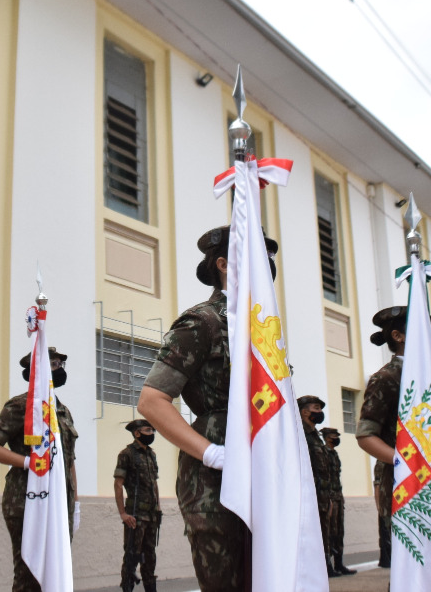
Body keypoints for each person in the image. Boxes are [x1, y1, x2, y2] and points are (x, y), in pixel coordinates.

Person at [137, 224, 276, 591]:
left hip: (265, 478)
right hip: (215, 487)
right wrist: (212, 453)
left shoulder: (262, 330)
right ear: (224, 264)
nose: (267, 266)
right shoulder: (203, 322)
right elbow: (152, 401)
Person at [0, 347, 79, 592]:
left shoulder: (63, 410)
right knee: (29, 576)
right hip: (27, 500)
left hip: (59, 502)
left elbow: (69, 462)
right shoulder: (21, 406)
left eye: (60, 364)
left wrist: (75, 504)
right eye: (54, 364)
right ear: (39, 371)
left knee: (55, 573)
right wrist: (27, 462)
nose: (59, 369)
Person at [355, 304, 431, 571]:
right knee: (409, 570)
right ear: (398, 336)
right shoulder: (386, 378)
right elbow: (366, 435)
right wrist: (405, 462)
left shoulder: (427, 378)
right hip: (404, 485)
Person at [115, 419, 161, 592]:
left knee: (150, 557)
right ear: (137, 433)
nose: (151, 434)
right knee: (132, 557)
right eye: (148, 430)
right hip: (135, 515)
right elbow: (118, 484)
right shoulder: (126, 454)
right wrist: (123, 514)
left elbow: (154, 483)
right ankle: (127, 588)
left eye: (152, 430)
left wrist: (158, 508)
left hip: (151, 514)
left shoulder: (151, 454)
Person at [298, 395, 339, 578]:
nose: (320, 412)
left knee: (325, 534)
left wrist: (329, 497)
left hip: (323, 497)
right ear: (304, 412)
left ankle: (325, 569)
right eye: (316, 408)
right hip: (309, 497)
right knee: (311, 538)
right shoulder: (299, 434)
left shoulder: (316, 436)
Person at [319, 427, 355, 576]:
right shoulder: (324, 453)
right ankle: (327, 565)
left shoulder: (334, 454)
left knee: (339, 531)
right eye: (334, 435)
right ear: (327, 437)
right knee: (329, 532)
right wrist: (328, 499)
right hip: (330, 497)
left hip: (338, 496)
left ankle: (339, 563)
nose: (336, 438)